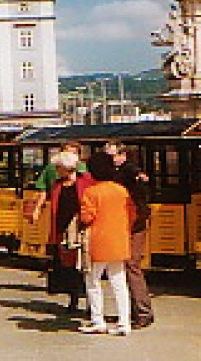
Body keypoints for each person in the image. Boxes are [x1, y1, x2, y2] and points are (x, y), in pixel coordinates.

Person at [78, 151, 136, 336]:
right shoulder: (121, 191)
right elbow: (132, 215)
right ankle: (124, 322)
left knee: (93, 281)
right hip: (119, 240)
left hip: (97, 242)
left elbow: (87, 217)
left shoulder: (91, 192)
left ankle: (98, 320)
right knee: (119, 282)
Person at [104, 141, 154, 329]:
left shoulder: (128, 172)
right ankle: (137, 311)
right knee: (128, 265)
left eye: (112, 155)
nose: (110, 160)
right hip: (129, 222)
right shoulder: (121, 173)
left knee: (131, 265)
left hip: (133, 224)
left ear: (122, 155)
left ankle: (143, 312)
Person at [45, 151, 91, 314]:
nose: (56, 170)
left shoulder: (85, 181)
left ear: (67, 167)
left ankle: (91, 303)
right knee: (69, 267)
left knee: (85, 267)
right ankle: (73, 299)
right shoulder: (57, 185)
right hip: (63, 231)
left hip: (82, 229)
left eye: (58, 167)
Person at [28, 141, 85, 225]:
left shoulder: (83, 168)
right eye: (67, 153)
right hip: (58, 210)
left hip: (79, 213)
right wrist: (37, 209)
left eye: (73, 154)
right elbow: (43, 189)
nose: (69, 157)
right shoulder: (51, 168)